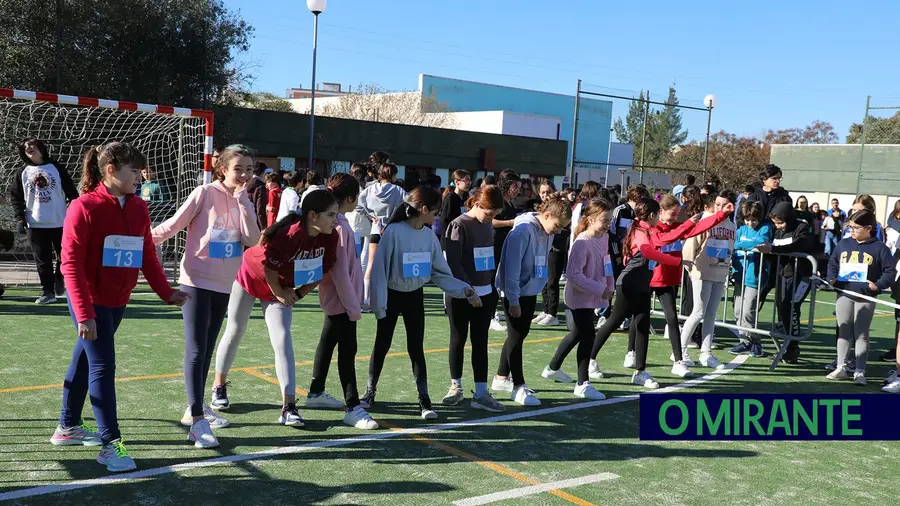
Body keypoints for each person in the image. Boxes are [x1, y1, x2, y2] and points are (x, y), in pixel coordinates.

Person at [51, 142, 188, 472]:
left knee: (85, 359)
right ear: (111, 170)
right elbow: (71, 265)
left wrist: (165, 292)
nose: (140, 177)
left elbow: (146, 255)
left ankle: (66, 427)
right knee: (102, 366)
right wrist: (84, 313)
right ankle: (111, 444)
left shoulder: (139, 207)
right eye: (134, 171)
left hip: (117, 299)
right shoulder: (83, 207)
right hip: (89, 299)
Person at [151, 144, 261, 448]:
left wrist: (243, 203)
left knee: (208, 348)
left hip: (226, 284)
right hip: (196, 282)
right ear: (222, 168)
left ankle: (195, 406)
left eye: (250, 169)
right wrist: (143, 240)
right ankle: (197, 419)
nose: (244, 174)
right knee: (197, 349)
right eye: (238, 168)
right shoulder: (204, 193)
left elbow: (252, 239)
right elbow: (174, 225)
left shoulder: (244, 198)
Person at [212, 190, 339, 427]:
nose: (336, 220)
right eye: (331, 215)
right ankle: (218, 385)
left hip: (282, 285)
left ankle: (288, 406)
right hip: (251, 277)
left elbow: (322, 270)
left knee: (282, 339)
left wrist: (299, 293)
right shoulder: (289, 235)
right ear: (312, 215)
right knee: (235, 330)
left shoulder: (331, 236)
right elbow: (269, 269)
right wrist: (281, 293)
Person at [361, 186, 478, 420]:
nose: (436, 217)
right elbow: (379, 271)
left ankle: (424, 400)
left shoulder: (428, 236)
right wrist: (379, 305)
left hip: (415, 297)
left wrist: (464, 290)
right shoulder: (393, 231)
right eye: (434, 211)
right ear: (423, 209)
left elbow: (440, 273)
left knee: (416, 348)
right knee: (381, 345)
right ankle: (369, 392)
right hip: (392, 297)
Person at [591, 197, 689, 389]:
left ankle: (640, 372)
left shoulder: (651, 231)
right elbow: (647, 251)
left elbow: (672, 236)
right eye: (658, 214)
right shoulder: (639, 232)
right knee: (613, 322)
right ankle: (589, 359)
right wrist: (676, 261)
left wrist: (706, 220)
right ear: (653, 215)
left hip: (643, 284)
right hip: (629, 284)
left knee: (643, 324)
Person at [307, 174, 378, 430]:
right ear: (349, 198)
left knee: (328, 343)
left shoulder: (338, 223)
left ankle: (315, 392)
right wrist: (353, 306)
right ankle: (352, 406)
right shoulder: (339, 227)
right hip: (342, 301)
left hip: (337, 299)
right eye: (356, 197)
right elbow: (339, 272)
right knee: (348, 351)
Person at [492, 194, 572, 405]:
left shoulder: (546, 231)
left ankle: (501, 377)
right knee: (516, 337)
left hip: (529, 290)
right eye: (557, 225)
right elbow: (511, 268)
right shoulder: (522, 231)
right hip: (515, 291)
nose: (558, 230)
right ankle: (518, 386)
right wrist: (513, 299)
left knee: (518, 335)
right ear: (546, 215)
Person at [644, 193, 731, 378]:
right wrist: (687, 225)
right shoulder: (651, 228)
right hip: (649, 277)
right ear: (660, 212)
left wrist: (720, 216)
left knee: (676, 319)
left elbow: (692, 230)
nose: (676, 217)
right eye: (672, 213)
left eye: (678, 214)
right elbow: (666, 239)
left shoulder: (680, 225)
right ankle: (632, 355)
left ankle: (685, 357)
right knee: (637, 319)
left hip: (673, 279)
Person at [442, 186, 506, 412]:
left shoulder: (487, 224)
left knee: (481, 343)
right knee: (458, 339)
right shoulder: (458, 225)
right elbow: (453, 263)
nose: (491, 218)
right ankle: (455, 387)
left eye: (495, 214)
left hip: (486, 293)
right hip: (461, 294)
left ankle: (480, 393)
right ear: (477, 205)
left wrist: (487, 289)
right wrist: (469, 291)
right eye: (489, 213)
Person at [542, 198, 613, 398]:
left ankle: (552, 367)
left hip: (594, 295)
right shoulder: (582, 242)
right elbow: (574, 275)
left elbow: (606, 262)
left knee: (577, 334)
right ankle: (583, 383)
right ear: (590, 219)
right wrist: (600, 289)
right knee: (587, 335)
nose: (608, 224)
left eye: (609, 220)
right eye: (604, 220)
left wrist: (609, 285)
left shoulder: (604, 238)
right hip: (579, 297)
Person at [826, 210, 896, 385]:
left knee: (861, 334)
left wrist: (877, 285)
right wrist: (832, 278)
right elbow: (833, 263)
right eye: (850, 227)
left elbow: (890, 271)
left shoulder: (879, 247)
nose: (852, 231)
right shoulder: (844, 244)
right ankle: (841, 367)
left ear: (868, 228)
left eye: (856, 228)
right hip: (844, 294)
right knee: (843, 331)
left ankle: (859, 371)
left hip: (866, 296)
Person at [10, 138, 79, 304]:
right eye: (27, 148)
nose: (30, 149)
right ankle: (47, 291)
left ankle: (59, 280)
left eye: (33, 146)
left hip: (60, 222)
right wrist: (20, 218)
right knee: (43, 259)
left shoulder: (56, 168)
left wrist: (75, 212)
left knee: (66, 256)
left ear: (41, 148)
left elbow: (72, 193)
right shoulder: (23, 172)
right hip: (35, 224)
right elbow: (16, 197)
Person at [678, 191, 737, 371]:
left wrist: (727, 267)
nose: (719, 208)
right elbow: (690, 244)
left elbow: (729, 248)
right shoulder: (706, 220)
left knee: (711, 315)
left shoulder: (732, 226)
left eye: (723, 205)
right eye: (717, 204)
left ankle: (706, 353)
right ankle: (679, 351)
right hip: (701, 272)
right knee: (698, 312)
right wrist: (690, 267)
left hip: (719, 273)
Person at [757, 202, 815, 363]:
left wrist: (773, 250)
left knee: (792, 307)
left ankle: (793, 346)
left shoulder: (801, 228)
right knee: (782, 308)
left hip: (802, 276)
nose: (779, 226)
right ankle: (788, 343)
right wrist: (766, 251)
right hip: (784, 275)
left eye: (781, 222)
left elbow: (798, 245)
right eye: (776, 223)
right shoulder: (777, 232)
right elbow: (775, 255)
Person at [358, 161, 407, 309]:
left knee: (371, 263)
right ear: (392, 175)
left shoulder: (369, 189)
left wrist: (371, 217)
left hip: (375, 228)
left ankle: (366, 299)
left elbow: (359, 207)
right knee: (391, 265)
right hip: (391, 230)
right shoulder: (398, 190)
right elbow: (412, 203)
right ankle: (385, 299)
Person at [729, 201, 774, 358]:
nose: (750, 223)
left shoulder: (765, 228)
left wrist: (740, 245)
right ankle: (744, 341)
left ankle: (755, 342)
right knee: (737, 311)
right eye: (747, 219)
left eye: (753, 220)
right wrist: (739, 247)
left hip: (755, 276)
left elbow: (760, 242)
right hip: (740, 275)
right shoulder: (741, 230)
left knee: (749, 311)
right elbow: (734, 246)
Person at [489, 170, 522, 331]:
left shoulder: (509, 202)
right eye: (515, 186)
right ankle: (490, 315)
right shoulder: (498, 200)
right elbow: (490, 221)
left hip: (504, 244)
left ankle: (494, 311)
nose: (518, 190)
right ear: (507, 185)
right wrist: (510, 222)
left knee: (500, 279)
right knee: (492, 280)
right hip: (495, 243)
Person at [535, 180, 569, 326]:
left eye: (548, 192)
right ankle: (545, 309)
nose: (545, 195)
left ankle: (552, 313)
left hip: (556, 248)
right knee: (542, 278)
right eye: (542, 192)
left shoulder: (562, 208)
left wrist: (554, 232)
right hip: (543, 248)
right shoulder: (540, 208)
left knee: (552, 280)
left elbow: (567, 229)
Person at [344, 163, 373, 275]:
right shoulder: (365, 188)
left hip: (354, 223)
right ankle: (359, 276)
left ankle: (355, 276)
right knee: (362, 254)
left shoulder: (353, 187)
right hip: (362, 224)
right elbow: (361, 208)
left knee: (355, 253)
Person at [439, 169, 472, 248]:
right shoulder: (450, 198)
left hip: (462, 238)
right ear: (457, 182)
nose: (469, 183)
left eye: (470, 180)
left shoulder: (466, 197)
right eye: (466, 180)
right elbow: (444, 221)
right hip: (450, 239)